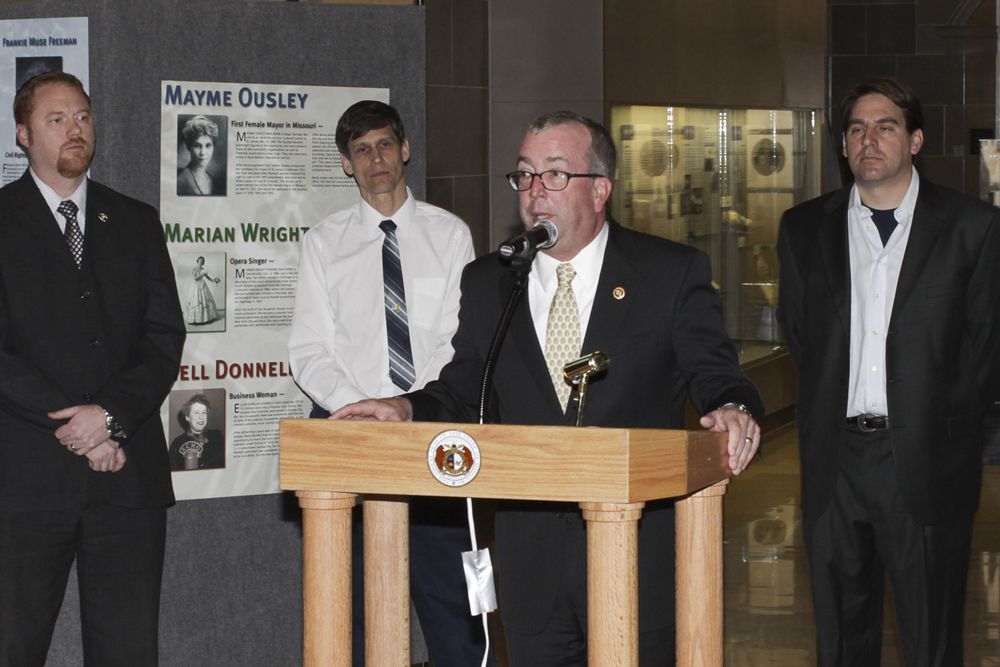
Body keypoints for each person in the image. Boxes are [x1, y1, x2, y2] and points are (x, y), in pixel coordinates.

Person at [333, 110, 764, 666]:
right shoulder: (491, 282)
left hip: (638, 562)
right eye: (525, 174)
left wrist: (732, 407)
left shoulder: (669, 272)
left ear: (600, 189)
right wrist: (404, 408)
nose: (535, 191)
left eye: (555, 174)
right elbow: (464, 391)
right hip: (532, 570)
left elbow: (716, 373)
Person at [777, 77, 1000, 666]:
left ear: (915, 140)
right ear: (843, 145)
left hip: (929, 460)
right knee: (841, 638)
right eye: (856, 129)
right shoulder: (803, 228)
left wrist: (940, 416)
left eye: (885, 127)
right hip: (835, 460)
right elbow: (801, 337)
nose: (868, 140)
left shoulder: (972, 227)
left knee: (931, 637)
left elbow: (987, 348)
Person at [287, 100, 485, 667]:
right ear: (346, 163)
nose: (376, 159)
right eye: (361, 150)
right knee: (347, 609)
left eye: (384, 145)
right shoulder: (323, 242)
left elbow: (458, 344)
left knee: (455, 608)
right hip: (352, 438)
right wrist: (368, 410)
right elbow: (308, 350)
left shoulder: (450, 235)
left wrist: (409, 407)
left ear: (405, 150)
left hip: (432, 436)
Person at [0, 72, 185, 665]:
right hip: (26, 483)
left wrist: (109, 417)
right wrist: (79, 426)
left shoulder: (135, 220)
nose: (75, 129)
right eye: (56, 120)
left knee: (128, 651)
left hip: (127, 480)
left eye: (82, 116)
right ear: (24, 135)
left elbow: (164, 337)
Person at [168, 394, 225, 471]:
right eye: (196, 413)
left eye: (204, 412)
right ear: (187, 417)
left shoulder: (217, 436)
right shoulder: (177, 443)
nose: (201, 417)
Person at [177, 115, 222, 196]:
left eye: (208, 145)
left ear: (213, 147)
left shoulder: (213, 182)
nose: (203, 152)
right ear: (189, 147)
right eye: (197, 146)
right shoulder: (179, 180)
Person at [185, 255, 221, 325]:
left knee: (205, 299)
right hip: (196, 286)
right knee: (196, 300)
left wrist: (214, 281)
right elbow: (195, 278)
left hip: (202, 284)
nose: (200, 262)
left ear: (203, 262)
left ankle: (206, 318)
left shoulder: (204, 269)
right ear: (197, 261)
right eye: (199, 261)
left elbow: (208, 277)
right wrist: (201, 275)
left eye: (202, 261)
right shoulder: (195, 269)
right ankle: (195, 319)